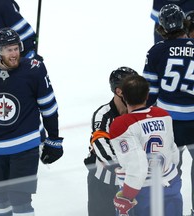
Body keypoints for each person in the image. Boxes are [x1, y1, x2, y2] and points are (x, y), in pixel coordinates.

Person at [0, 27, 63, 216]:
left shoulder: (34, 70)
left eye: (16, 48)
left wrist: (54, 139)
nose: (14, 54)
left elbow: (49, 106)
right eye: (9, 50)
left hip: (25, 145)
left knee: (20, 200)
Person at [143, 4, 194, 215]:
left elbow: (150, 93)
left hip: (168, 123)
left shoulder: (155, 52)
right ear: (184, 23)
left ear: (161, 27)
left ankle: (170, 211)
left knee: (170, 171)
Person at [109, 75, 182, 216]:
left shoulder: (121, 124)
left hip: (140, 192)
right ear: (147, 95)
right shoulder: (163, 114)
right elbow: (173, 150)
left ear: (123, 96)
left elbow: (138, 166)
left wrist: (126, 196)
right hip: (170, 184)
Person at [83, 67, 138, 216]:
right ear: (119, 92)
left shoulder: (139, 111)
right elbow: (101, 145)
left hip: (132, 182)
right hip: (102, 184)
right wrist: (123, 169)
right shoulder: (103, 114)